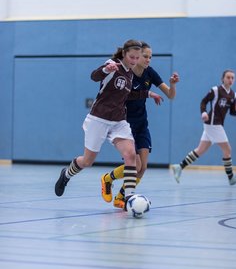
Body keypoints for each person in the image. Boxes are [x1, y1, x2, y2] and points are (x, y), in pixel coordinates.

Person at [54, 39, 161, 208]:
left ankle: (129, 197)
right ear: (124, 54)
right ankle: (66, 174)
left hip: (118, 121)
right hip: (98, 119)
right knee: (87, 161)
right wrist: (105, 69)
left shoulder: (130, 74)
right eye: (131, 57)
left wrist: (148, 94)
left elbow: (126, 96)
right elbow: (94, 76)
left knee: (131, 155)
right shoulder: (113, 65)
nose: (134, 61)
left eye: (136, 58)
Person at [101, 41, 180, 209]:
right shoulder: (126, 74)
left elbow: (171, 95)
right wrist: (149, 94)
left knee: (143, 167)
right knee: (135, 165)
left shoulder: (150, 73)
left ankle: (120, 197)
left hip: (142, 124)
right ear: (136, 57)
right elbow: (127, 95)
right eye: (145, 56)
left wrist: (172, 84)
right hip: (125, 124)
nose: (148, 59)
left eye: (150, 57)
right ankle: (108, 178)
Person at [172, 69, 236, 185]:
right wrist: (203, 112)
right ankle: (231, 177)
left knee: (200, 150)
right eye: (228, 77)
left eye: (232, 78)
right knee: (227, 150)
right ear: (223, 78)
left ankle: (179, 166)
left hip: (215, 125)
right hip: (213, 123)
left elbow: (232, 112)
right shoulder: (215, 90)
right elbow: (203, 101)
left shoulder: (233, 95)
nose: (230, 80)